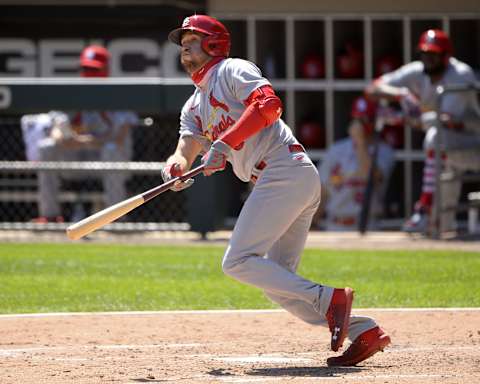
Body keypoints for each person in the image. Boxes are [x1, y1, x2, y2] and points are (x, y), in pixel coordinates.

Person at [161, 14, 391, 366]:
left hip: (285, 171)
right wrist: (176, 165)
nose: (185, 48)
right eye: (183, 43)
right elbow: (186, 146)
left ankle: (332, 300)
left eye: (193, 40)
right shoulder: (194, 103)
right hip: (282, 181)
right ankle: (364, 330)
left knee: (237, 261)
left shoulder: (232, 70)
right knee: (279, 284)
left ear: (213, 44)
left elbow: (268, 106)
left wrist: (224, 144)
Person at [366, 29, 480, 233]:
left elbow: (444, 121)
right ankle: (434, 220)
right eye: (425, 54)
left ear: (446, 57)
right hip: (446, 151)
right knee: (440, 226)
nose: (428, 59)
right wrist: (400, 94)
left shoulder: (460, 74)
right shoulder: (417, 71)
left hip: (472, 143)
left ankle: (424, 208)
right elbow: (373, 88)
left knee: (435, 136)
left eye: (433, 55)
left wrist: (405, 116)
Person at [28, 45, 138, 222]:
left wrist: (85, 141)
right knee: (46, 146)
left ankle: (117, 217)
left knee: (110, 149)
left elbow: (119, 138)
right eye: (86, 68)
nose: (89, 73)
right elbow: (57, 130)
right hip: (76, 159)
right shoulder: (72, 93)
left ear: (106, 70)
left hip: (108, 161)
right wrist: (65, 138)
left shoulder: (119, 94)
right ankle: (49, 215)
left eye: (94, 69)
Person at [314, 96, 395, 231]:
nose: (361, 125)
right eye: (358, 120)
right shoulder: (336, 150)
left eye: (366, 120)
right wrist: (313, 224)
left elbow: (371, 177)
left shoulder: (384, 151)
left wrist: (360, 142)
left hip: (368, 225)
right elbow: (322, 191)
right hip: (335, 224)